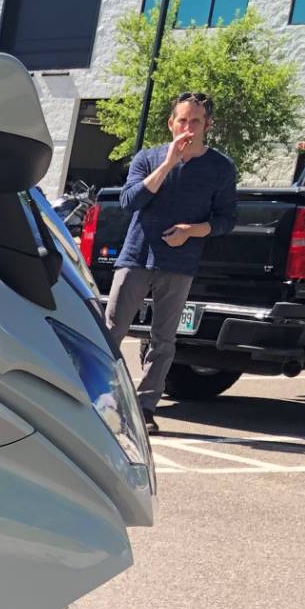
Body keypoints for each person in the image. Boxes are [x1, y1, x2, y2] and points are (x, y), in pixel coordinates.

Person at [102, 92, 238, 432]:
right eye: (182, 120)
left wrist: (192, 231)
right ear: (171, 123)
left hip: (180, 263)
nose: (187, 128)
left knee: (163, 340)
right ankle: (100, 398)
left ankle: (145, 408)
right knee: (111, 330)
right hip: (136, 257)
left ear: (207, 125)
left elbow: (226, 219)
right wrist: (168, 164)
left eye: (195, 121)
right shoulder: (149, 158)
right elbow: (129, 201)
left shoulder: (220, 168)